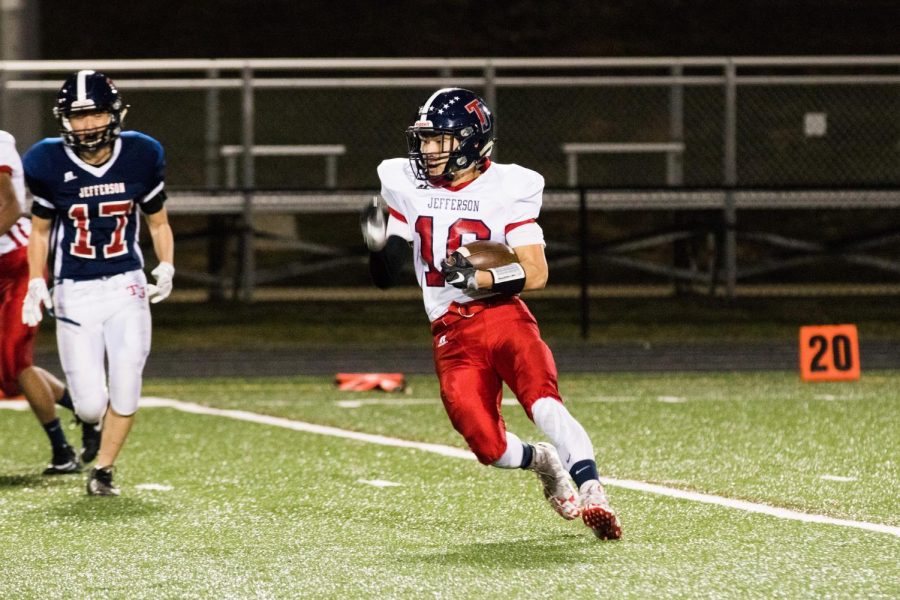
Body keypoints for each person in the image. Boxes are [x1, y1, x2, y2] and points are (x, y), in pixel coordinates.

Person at [361, 88, 621, 540]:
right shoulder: (403, 180)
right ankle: (544, 461)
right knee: (488, 446)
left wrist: (480, 281)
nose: (425, 150)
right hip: (450, 332)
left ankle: (593, 490)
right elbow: (389, 274)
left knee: (543, 401)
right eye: (423, 140)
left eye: (437, 140)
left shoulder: (512, 185)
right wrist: (376, 244)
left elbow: (536, 272)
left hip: (501, 314)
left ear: (468, 142)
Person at [21, 70, 174, 496]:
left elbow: (158, 222)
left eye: (95, 114)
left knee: (126, 380)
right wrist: (37, 280)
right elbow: (39, 231)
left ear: (114, 113)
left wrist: (165, 266)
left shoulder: (141, 154)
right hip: (75, 291)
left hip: (126, 284)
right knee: (90, 403)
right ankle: (89, 425)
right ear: (64, 120)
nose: (87, 125)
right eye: (78, 116)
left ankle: (103, 471)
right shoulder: (47, 161)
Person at [0, 129, 100, 474]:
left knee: (15, 360)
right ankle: (88, 413)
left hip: (17, 263)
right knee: (7, 370)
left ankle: (62, 452)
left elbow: (10, 209)